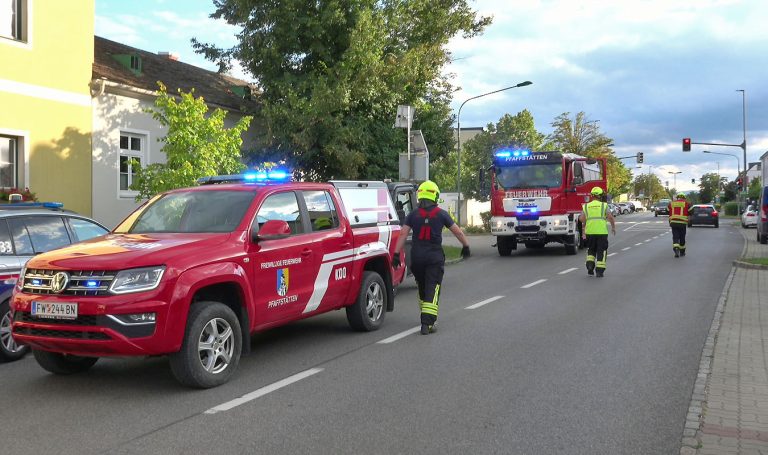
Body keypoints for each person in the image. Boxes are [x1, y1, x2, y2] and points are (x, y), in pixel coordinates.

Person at [392, 180, 470, 335]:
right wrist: (466, 246)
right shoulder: (441, 214)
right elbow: (458, 232)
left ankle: (426, 317)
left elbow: (403, 234)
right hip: (434, 257)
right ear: (435, 195)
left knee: (422, 287)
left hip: (417, 258)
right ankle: (427, 323)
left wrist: (395, 253)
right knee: (433, 289)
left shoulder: (412, 215)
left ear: (420, 195)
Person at [578, 186, 616, 277]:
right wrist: (613, 227)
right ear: (599, 196)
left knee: (591, 250)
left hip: (590, 232)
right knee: (601, 251)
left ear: (592, 196)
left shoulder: (586, 206)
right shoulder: (604, 205)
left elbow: (581, 219)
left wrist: (588, 223)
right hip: (601, 233)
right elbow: (610, 217)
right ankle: (599, 271)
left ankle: (590, 266)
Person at [669, 192, 690, 258]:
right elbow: (691, 211)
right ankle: (682, 252)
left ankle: (676, 249)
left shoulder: (671, 203)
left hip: (673, 222)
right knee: (682, 237)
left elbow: (667, 210)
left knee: (675, 237)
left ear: (678, 197)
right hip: (682, 223)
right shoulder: (687, 203)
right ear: (684, 198)